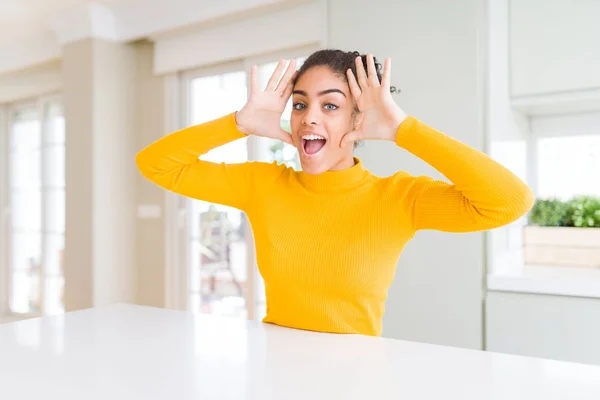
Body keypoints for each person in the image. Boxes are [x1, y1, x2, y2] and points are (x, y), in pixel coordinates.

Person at [136, 49, 534, 336]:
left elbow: (509, 201)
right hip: (275, 371)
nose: (308, 116)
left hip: (357, 380)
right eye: (299, 104)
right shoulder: (263, 185)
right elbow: (155, 164)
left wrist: (402, 129)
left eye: (330, 106)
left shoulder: (398, 198)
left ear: (358, 117)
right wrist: (238, 122)